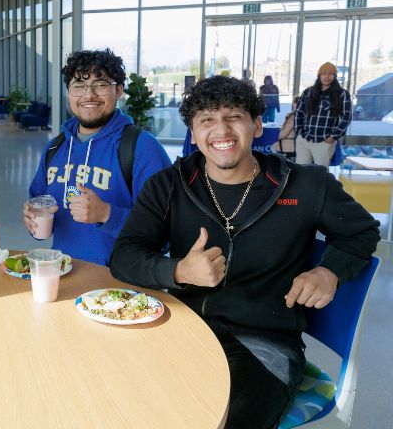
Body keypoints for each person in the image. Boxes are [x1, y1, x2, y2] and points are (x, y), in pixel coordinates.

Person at [110, 75, 378, 429]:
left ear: (255, 124)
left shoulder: (307, 185)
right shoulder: (169, 185)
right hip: (183, 330)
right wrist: (178, 272)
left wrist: (329, 271)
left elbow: (361, 232)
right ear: (193, 133)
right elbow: (124, 256)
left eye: (233, 116)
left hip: (264, 343)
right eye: (206, 120)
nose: (221, 130)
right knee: (115, 403)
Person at [23, 49, 171, 266]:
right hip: (64, 275)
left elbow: (165, 234)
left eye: (100, 84)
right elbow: (39, 212)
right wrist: (33, 220)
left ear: (119, 90)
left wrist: (107, 214)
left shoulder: (141, 147)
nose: (88, 95)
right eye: (79, 86)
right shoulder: (56, 147)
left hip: (120, 288)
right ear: (69, 93)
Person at [294, 62, 352, 166]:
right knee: (300, 171)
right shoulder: (308, 92)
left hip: (324, 141)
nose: (327, 76)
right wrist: (299, 132)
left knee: (321, 174)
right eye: (324, 73)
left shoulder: (342, 94)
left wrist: (333, 136)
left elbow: (346, 118)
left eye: (330, 73)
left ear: (334, 76)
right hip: (305, 139)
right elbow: (299, 113)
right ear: (319, 75)